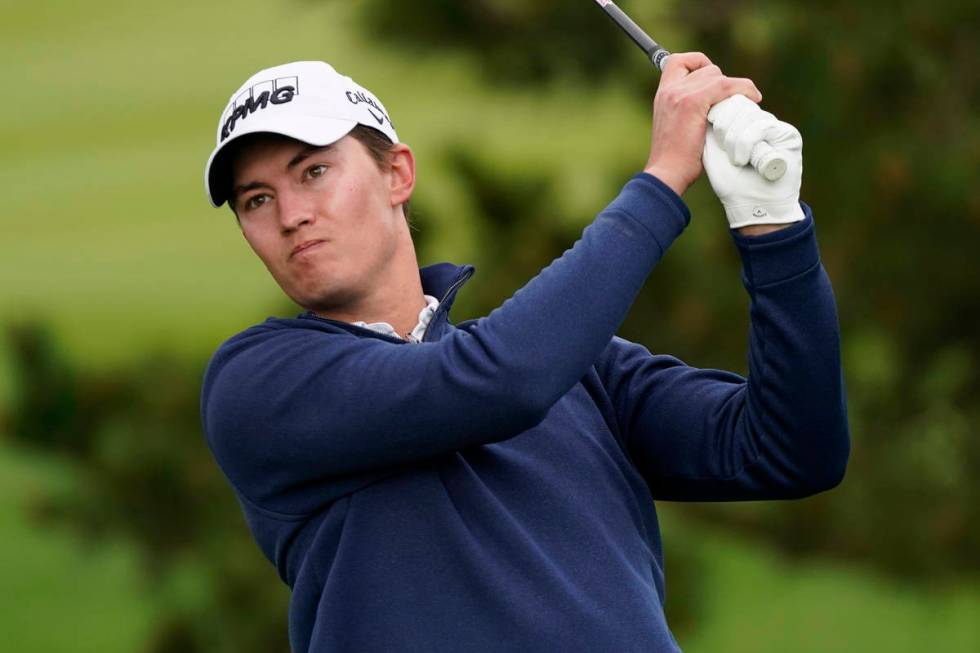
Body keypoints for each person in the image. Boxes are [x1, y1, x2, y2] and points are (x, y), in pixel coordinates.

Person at [200, 55, 849, 653]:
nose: (290, 215)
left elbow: (790, 451)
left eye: (313, 172)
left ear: (397, 173)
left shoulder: (586, 371)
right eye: (257, 200)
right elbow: (494, 381)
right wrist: (662, 181)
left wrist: (774, 225)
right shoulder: (259, 382)